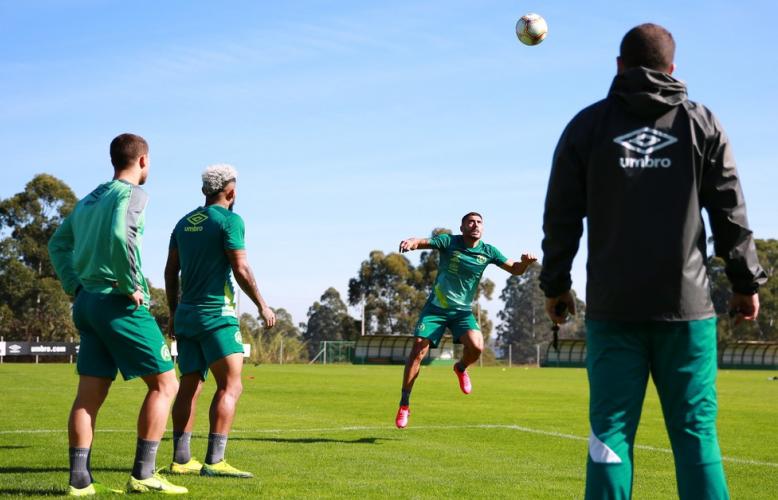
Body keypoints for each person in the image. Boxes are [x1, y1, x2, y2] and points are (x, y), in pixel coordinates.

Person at [539, 24, 767, 499]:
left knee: (610, 434)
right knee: (695, 434)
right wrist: (746, 283)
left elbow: (560, 216)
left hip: (614, 310)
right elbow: (730, 212)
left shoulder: (587, 126)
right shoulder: (702, 123)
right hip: (687, 311)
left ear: (619, 66)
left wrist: (556, 286)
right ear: (672, 69)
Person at [48, 133, 188, 495]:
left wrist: (75, 285)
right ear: (142, 160)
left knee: (89, 395)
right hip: (117, 301)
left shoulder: (88, 200)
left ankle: (80, 482)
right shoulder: (133, 194)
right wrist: (129, 284)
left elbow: (57, 243)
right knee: (166, 384)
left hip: (87, 303)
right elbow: (120, 235)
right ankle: (143, 474)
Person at [164, 164, 276, 478]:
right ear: (231, 191)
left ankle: (181, 460)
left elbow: (170, 272)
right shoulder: (230, 220)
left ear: (205, 191)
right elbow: (241, 268)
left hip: (187, 316)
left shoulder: (183, 222)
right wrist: (262, 305)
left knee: (190, 385)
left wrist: (173, 312)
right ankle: (215, 461)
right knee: (231, 385)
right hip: (217, 315)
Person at [395, 212, 537, 429]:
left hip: (461, 312)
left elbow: (515, 269)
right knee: (418, 350)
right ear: (462, 228)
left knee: (477, 347)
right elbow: (422, 241)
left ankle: (460, 368)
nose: (475, 225)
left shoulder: (488, 251)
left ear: (483, 227)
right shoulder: (448, 241)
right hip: (436, 309)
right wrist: (411, 243)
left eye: (479, 222)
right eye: (470, 222)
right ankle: (404, 404)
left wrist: (525, 263)